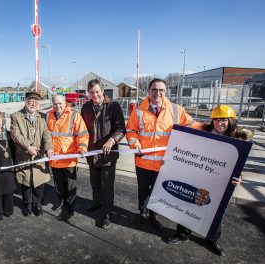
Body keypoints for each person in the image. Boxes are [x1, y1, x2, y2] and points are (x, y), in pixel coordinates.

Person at [167, 104, 244, 257]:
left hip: (220, 182)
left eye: (223, 120)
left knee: (215, 211)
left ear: (231, 121)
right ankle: (182, 234)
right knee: (188, 203)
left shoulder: (236, 141)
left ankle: (212, 239)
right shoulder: (202, 132)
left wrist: (239, 178)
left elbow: (239, 166)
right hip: (197, 175)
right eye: (216, 120)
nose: (219, 123)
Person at [126, 78, 197, 232]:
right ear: (148, 91)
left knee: (159, 191)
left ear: (166, 91)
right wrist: (135, 143)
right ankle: (143, 213)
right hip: (144, 161)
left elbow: (192, 125)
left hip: (165, 162)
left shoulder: (176, 110)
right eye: (154, 90)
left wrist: (211, 128)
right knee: (144, 190)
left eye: (161, 90)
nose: (158, 93)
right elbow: (131, 131)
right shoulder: (138, 111)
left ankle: (154, 216)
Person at [80, 79, 126, 228]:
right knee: (95, 183)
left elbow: (120, 129)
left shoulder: (113, 106)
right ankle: (97, 203)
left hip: (107, 155)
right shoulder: (86, 107)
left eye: (97, 92)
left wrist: (112, 140)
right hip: (92, 153)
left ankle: (107, 213)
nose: (95, 95)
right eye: (92, 92)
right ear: (88, 93)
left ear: (102, 91)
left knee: (107, 185)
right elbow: (82, 130)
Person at [10, 91, 54, 217]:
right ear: (26, 101)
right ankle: (27, 204)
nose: (33, 104)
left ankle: (37, 204)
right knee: (26, 184)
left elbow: (46, 134)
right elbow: (15, 134)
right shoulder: (16, 116)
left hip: (39, 156)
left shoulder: (42, 116)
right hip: (24, 156)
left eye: (36, 102)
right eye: (31, 101)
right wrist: (28, 146)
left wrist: (49, 147)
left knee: (40, 184)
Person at [47, 94, 89, 220]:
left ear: (65, 103)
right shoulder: (49, 115)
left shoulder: (74, 115)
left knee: (70, 185)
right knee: (58, 183)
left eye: (60, 103)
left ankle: (71, 205)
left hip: (69, 158)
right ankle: (61, 201)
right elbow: (46, 134)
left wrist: (82, 148)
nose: (57, 106)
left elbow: (82, 134)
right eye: (55, 104)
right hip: (55, 158)